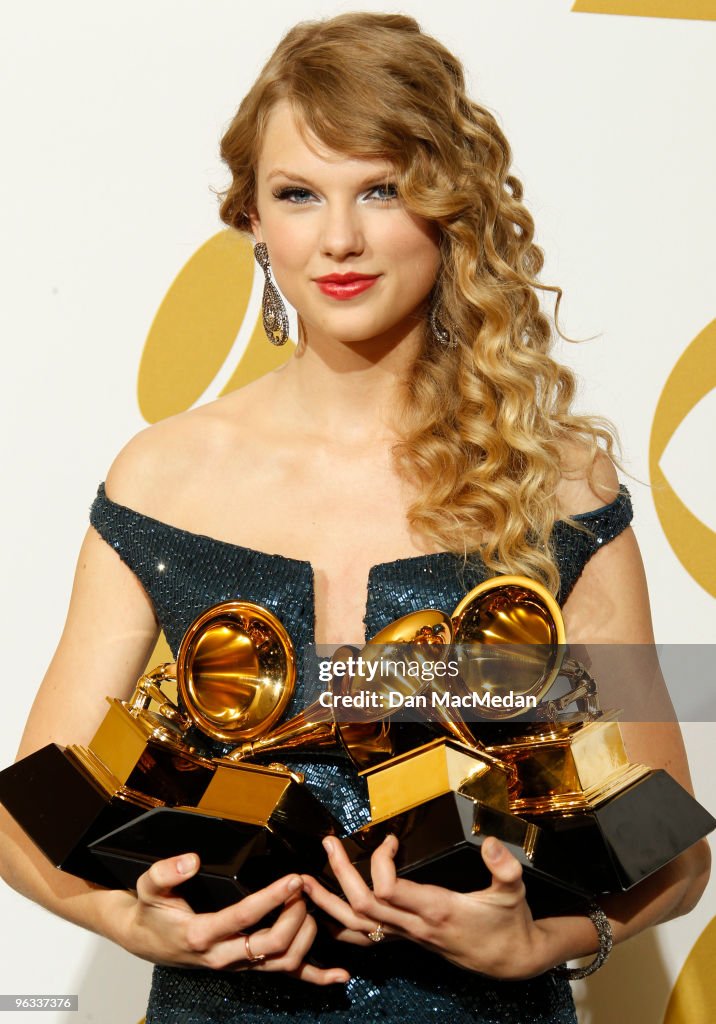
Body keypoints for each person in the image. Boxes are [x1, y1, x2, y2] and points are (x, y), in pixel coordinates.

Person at [0, 11, 710, 1024]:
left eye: (379, 189)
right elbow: (24, 813)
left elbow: (667, 844)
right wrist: (133, 924)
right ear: (251, 218)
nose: (337, 237)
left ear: (446, 207)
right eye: (297, 194)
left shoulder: (559, 483)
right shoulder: (164, 477)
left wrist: (541, 941)